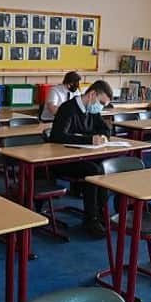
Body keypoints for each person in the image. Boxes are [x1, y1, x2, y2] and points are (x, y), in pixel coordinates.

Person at [49, 80, 113, 237]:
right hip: (62, 160)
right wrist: (89, 140)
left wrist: (103, 136)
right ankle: (90, 219)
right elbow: (57, 136)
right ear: (92, 95)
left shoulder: (92, 110)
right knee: (93, 171)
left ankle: (101, 213)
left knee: (105, 167)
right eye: (101, 103)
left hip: (83, 157)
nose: (101, 107)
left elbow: (106, 128)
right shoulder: (67, 109)